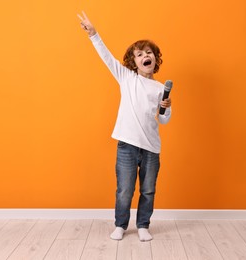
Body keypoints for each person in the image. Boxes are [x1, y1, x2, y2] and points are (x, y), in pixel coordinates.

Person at [77, 11, 172, 242]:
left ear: (155, 59)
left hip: (151, 149)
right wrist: (94, 34)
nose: (145, 56)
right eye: (139, 54)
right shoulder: (127, 78)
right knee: (124, 190)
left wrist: (166, 107)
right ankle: (120, 225)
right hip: (127, 147)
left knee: (148, 190)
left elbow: (164, 119)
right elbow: (107, 57)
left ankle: (142, 226)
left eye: (148, 53)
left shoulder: (160, 88)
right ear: (134, 62)